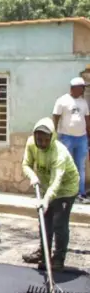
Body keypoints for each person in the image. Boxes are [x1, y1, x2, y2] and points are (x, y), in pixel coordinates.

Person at [21, 117, 79, 271]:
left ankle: (58, 259)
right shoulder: (31, 143)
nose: (42, 143)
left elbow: (56, 181)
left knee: (59, 223)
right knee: (44, 219)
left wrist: (46, 200)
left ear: (52, 137)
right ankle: (43, 252)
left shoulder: (58, 153)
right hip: (47, 187)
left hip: (66, 188)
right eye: (39, 139)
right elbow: (26, 164)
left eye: (45, 140)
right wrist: (32, 176)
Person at [52, 76, 90, 204]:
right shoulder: (62, 101)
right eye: (81, 88)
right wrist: (54, 135)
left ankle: (81, 193)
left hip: (82, 138)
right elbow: (56, 117)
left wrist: (88, 136)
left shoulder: (83, 102)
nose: (83, 90)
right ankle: (64, 192)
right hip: (66, 137)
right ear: (74, 88)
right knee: (65, 165)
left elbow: (87, 119)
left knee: (81, 166)